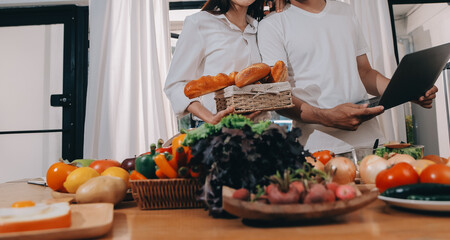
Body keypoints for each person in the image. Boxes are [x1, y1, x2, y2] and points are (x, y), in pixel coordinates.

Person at [257, 0, 438, 154]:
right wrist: (326, 117)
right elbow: (278, 98)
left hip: (372, 143)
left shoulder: (345, 11)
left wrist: (407, 91)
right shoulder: (272, 25)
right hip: (319, 151)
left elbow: (365, 73)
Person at [164, 0, 285, 127]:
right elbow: (175, 85)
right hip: (217, 130)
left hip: (260, 128)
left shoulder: (261, 27)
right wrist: (210, 118)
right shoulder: (200, 23)